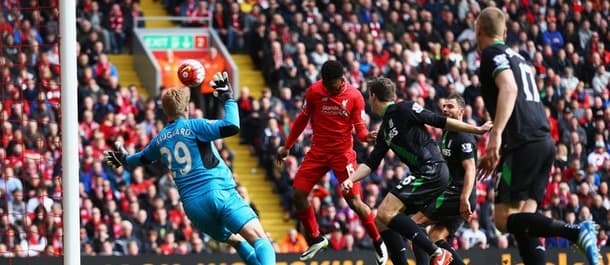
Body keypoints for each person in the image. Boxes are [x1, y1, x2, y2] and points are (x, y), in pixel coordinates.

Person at [104, 72, 275, 265]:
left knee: (236, 241)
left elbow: (140, 159)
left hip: (194, 209)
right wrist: (227, 97)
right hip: (218, 192)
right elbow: (232, 126)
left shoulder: (160, 139)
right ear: (186, 108)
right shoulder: (195, 126)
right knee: (260, 239)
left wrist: (123, 159)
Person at [475, 7, 600, 265]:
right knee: (526, 221)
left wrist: (495, 135)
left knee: (502, 219)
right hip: (544, 142)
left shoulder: (491, 53)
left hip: (522, 144)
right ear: (505, 32)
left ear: (478, 30)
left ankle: (576, 232)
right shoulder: (519, 58)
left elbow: (509, 88)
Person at [341, 77, 492, 265]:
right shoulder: (384, 130)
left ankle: (437, 253)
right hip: (425, 174)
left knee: (385, 212)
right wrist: (351, 179)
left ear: (372, 96)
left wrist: (476, 130)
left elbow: (439, 120)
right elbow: (371, 163)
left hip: (432, 170)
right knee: (383, 221)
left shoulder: (405, 108)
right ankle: (428, 254)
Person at [276, 60, 388, 264]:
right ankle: (317, 238)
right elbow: (302, 119)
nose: (328, 89)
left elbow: (360, 128)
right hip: (318, 152)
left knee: (353, 201)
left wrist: (365, 137)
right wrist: (287, 145)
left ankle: (377, 240)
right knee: (298, 194)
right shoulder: (314, 91)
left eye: (332, 85)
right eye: (325, 85)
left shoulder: (354, 96)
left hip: (342, 155)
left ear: (341, 80)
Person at [411, 95, 477, 265]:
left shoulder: (463, 135)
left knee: (414, 225)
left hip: (458, 194)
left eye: (450, 107)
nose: (446, 109)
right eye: (444, 106)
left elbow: (470, 168)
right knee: (435, 237)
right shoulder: (447, 131)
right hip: (454, 192)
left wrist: (464, 198)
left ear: (461, 112)